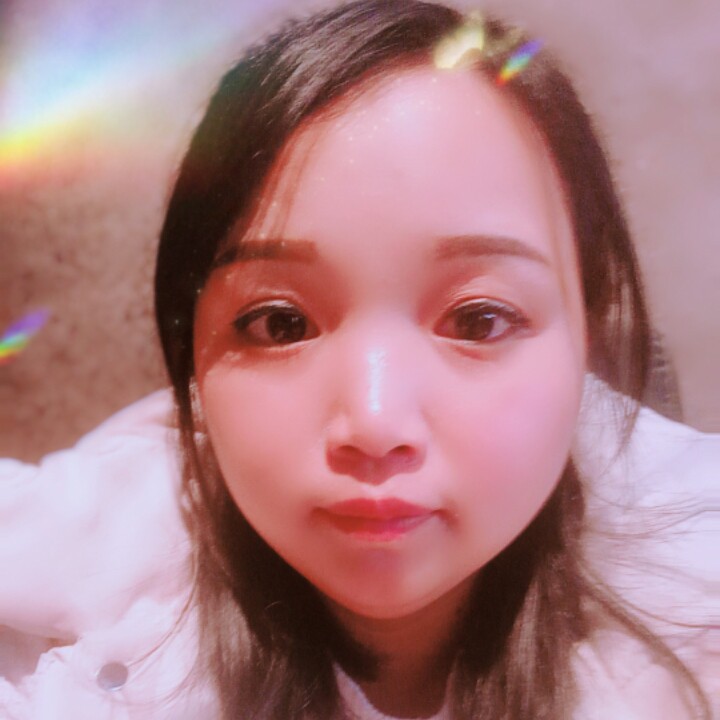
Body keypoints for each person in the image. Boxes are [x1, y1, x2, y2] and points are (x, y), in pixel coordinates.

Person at [1, 1, 716, 718]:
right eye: (281, 324)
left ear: (585, 332)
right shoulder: (72, 592)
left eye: (479, 320)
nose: (375, 425)